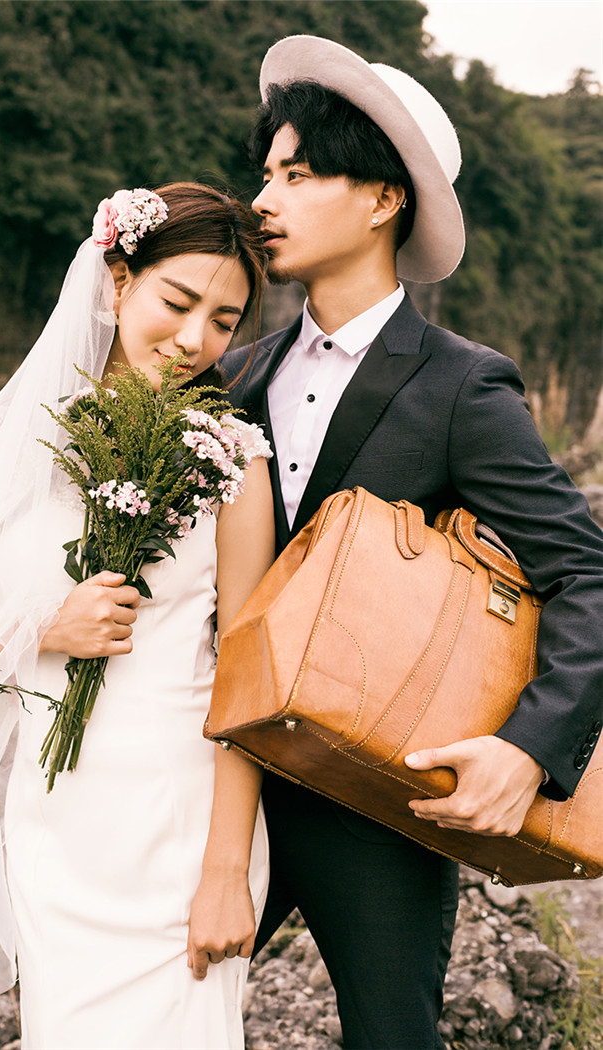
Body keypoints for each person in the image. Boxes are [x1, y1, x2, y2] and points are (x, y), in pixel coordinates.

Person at [220, 36, 603, 1050]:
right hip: (215, 781)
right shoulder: (232, 378)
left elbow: (584, 572)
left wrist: (529, 748)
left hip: (376, 794)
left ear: (384, 199)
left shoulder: (461, 384)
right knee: (163, 1016)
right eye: (267, 174)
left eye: (298, 175)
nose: (264, 200)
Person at [0, 182, 275, 1050]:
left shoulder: (234, 462)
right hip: (55, 817)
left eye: (223, 321)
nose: (194, 339)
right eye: (177, 302)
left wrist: (226, 870)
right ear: (119, 279)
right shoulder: (15, 438)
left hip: (180, 822)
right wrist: (42, 629)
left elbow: (248, 671)